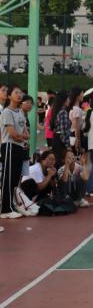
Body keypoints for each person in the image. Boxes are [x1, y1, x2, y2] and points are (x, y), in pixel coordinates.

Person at [0, 86, 31, 219]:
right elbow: (12, 134)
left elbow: (26, 134)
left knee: (15, 179)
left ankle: (12, 206)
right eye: (16, 92)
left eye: (20, 92)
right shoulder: (7, 112)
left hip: (19, 147)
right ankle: (5, 209)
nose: (19, 95)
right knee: (7, 178)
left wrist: (21, 137)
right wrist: (22, 137)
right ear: (9, 96)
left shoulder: (20, 112)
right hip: (9, 147)